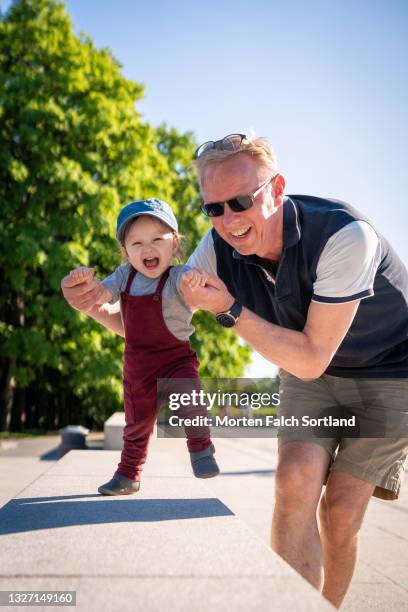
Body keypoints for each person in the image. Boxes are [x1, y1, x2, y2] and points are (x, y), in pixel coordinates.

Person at [174, 133, 408, 609]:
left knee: (340, 512)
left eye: (240, 201)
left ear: (277, 188)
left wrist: (230, 309)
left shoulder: (345, 237)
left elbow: (310, 355)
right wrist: (103, 304)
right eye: (213, 209)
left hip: (389, 374)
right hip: (313, 379)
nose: (228, 220)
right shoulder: (214, 250)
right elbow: (158, 320)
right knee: (293, 479)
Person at [63, 198, 219, 496]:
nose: (147, 249)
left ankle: (201, 450)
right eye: (137, 243)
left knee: (190, 399)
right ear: (126, 252)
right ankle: (128, 475)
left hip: (176, 360)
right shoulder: (124, 276)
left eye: (157, 240)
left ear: (174, 244)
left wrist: (195, 278)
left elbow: (192, 281)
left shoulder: (178, 276)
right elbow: (101, 296)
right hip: (138, 367)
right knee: (136, 425)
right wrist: (84, 283)